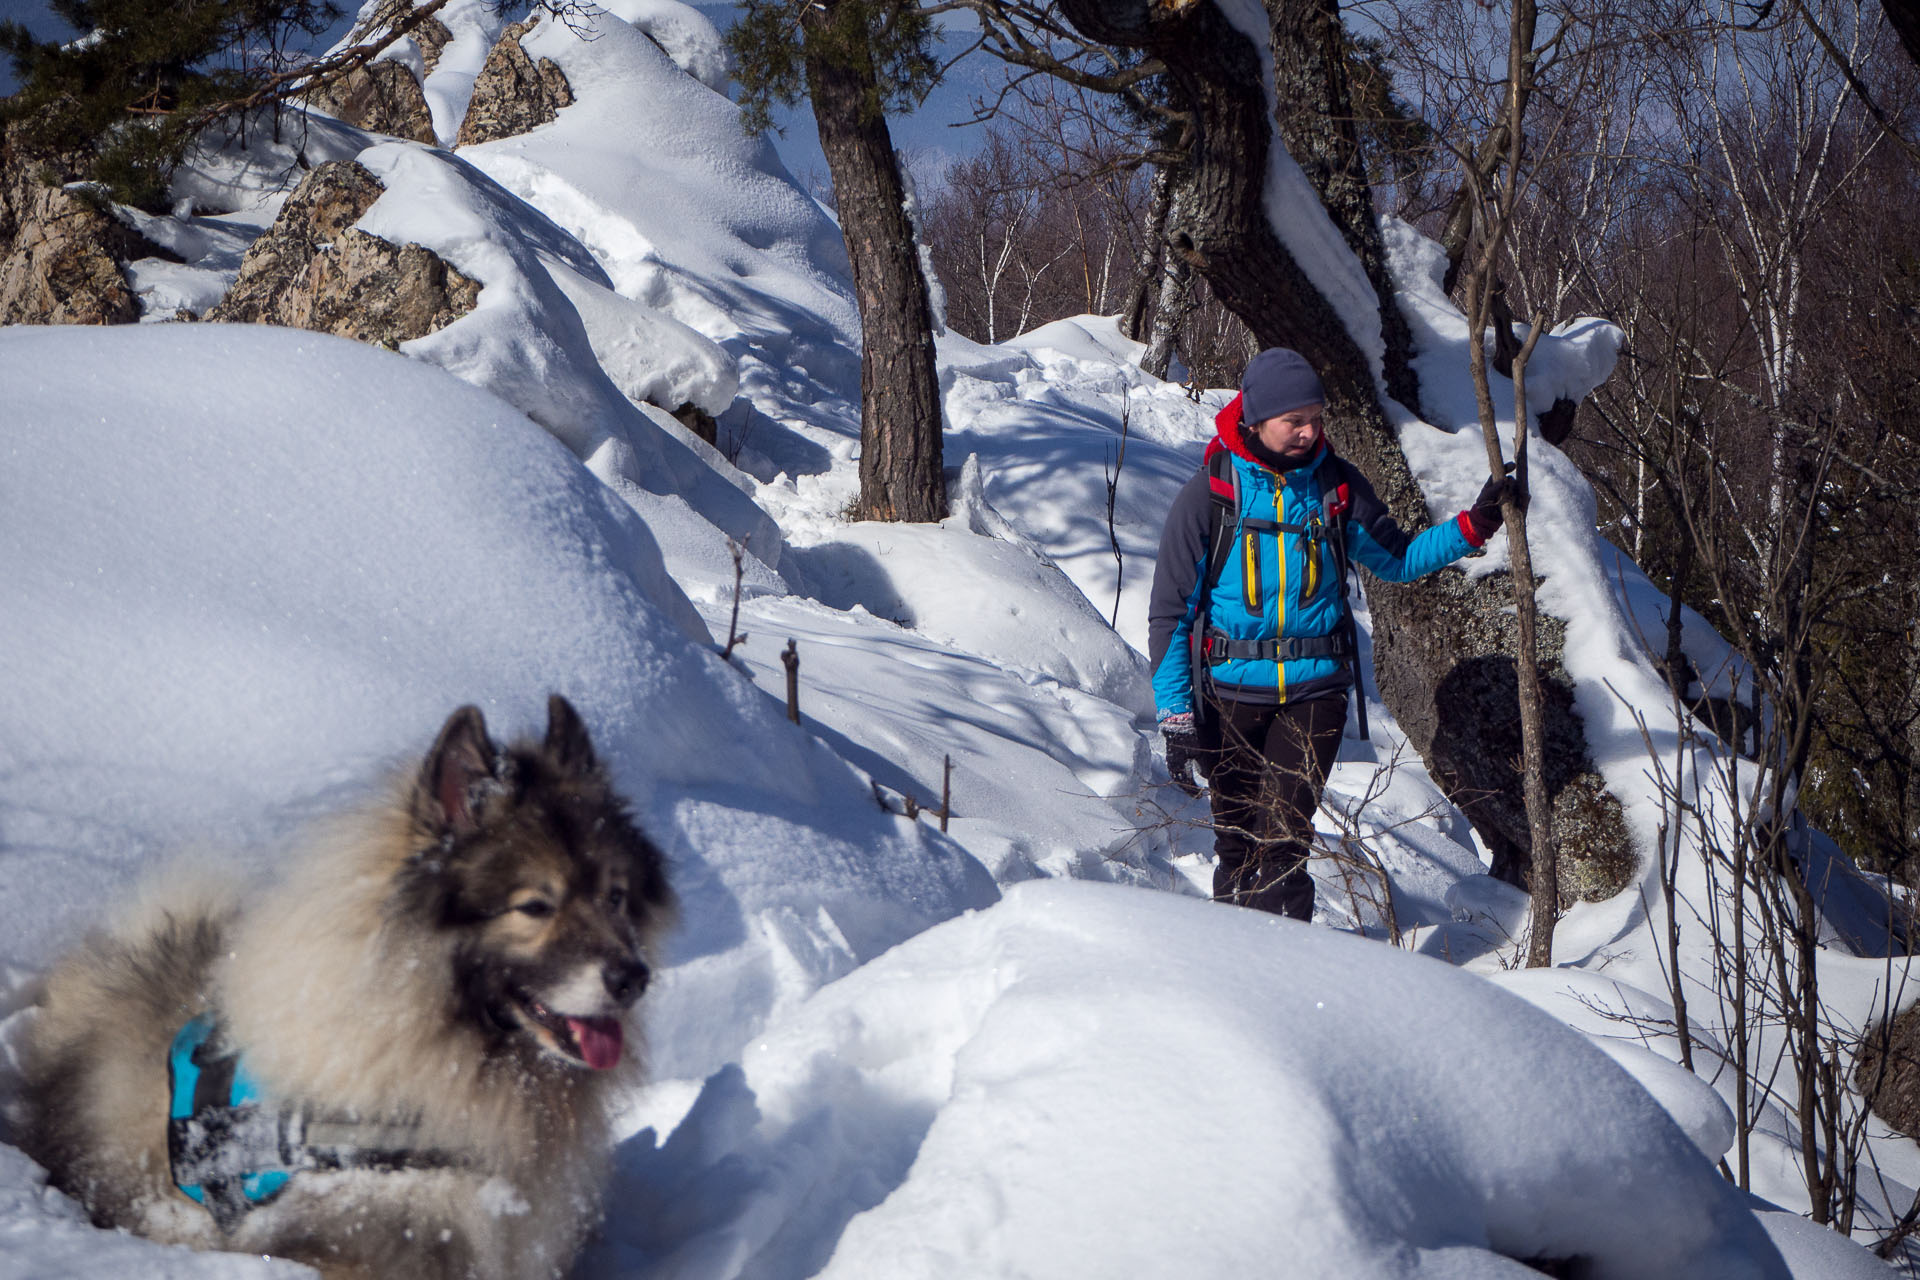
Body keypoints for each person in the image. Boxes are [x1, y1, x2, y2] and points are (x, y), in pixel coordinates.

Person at [1146, 348, 1519, 922]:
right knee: (1237, 845)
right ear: (1254, 419)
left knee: (1283, 842)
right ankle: (1228, 971)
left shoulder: (1336, 489)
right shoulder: (1212, 495)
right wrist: (1176, 715)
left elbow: (1397, 559)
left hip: (1313, 693)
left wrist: (1474, 526)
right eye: (1293, 420)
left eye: (1316, 418)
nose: (1308, 431)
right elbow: (1172, 612)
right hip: (1229, 694)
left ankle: (1290, 970)